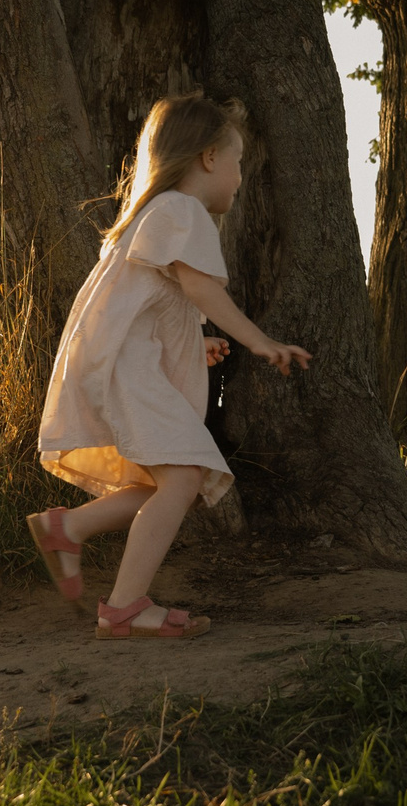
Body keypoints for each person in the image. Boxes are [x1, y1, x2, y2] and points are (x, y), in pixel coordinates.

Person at [28, 93, 312, 640]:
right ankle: (124, 609)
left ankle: (67, 528)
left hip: (125, 367)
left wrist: (191, 344)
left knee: (174, 479)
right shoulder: (183, 210)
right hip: (127, 374)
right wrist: (258, 341)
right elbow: (201, 290)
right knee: (182, 476)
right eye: (237, 162)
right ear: (209, 157)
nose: (239, 178)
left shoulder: (155, 214)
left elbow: (144, 309)